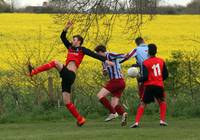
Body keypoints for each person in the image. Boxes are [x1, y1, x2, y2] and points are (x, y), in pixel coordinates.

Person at [28, 21, 114, 127]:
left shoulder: (82, 49)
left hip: (70, 74)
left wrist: (106, 60)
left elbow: (93, 55)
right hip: (66, 77)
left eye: (74, 39)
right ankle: (80, 119)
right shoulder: (69, 47)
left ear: (79, 41)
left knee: (55, 62)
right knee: (67, 101)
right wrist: (66, 28)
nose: (72, 41)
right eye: (72, 39)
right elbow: (62, 37)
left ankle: (33, 72)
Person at [130, 44, 169, 128]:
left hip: (149, 86)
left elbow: (145, 77)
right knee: (162, 102)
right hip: (159, 85)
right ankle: (162, 121)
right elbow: (166, 74)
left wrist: (138, 79)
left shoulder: (145, 62)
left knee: (143, 103)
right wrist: (159, 79)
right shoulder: (161, 61)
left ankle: (136, 122)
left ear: (148, 52)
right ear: (156, 51)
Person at [95, 45, 128, 126]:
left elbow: (120, 55)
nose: (97, 55)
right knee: (114, 104)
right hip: (121, 83)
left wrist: (126, 55)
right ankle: (123, 114)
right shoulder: (103, 61)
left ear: (100, 52)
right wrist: (104, 71)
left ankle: (113, 113)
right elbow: (105, 73)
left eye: (97, 53)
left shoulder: (110, 55)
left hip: (116, 81)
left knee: (100, 95)